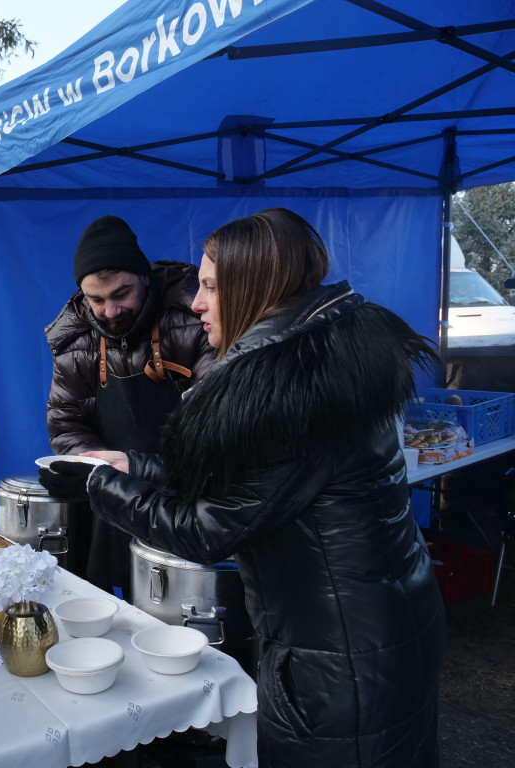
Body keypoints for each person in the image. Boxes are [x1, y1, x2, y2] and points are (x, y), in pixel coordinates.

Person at [40, 208, 446, 767]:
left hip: (338, 649)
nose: (197, 302)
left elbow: (205, 530)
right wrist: (132, 463)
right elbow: (248, 477)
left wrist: (100, 482)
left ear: (255, 287)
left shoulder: (286, 392)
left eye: (209, 286)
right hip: (383, 618)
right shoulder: (326, 354)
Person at [44, 214, 216, 594]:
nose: (109, 311)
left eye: (122, 294)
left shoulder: (198, 317)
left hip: (192, 492)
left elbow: (218, 428)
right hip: (117, 494)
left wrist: (157, 471)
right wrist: (94, 466)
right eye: (96, 299)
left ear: (145, 277)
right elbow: (65, 421)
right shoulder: (76, 340)